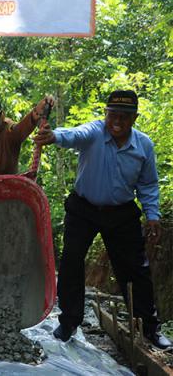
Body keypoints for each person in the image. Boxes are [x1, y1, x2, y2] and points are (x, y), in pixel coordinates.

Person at [34, 90, 171, 349]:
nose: (117, 121)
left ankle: (150, 327)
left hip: (121, 213)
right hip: (83, 209)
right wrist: (53, 136)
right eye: (112, 114)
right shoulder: (95, 132)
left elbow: (149, 185)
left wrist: (152, 215)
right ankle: (68, 322)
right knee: (72, 262)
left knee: (135, 270)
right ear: (105, 114)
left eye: (124, 116)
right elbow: (74, 134)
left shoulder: (144, 146)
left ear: (134, 118)